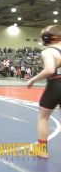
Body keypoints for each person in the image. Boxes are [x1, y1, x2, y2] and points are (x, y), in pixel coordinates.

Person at [27, 25, 61, 158]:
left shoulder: (49, 51)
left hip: (55, 86)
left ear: (48, 38)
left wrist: (32, 80)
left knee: (43, 117)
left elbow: (50, 70)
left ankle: (41, 149)